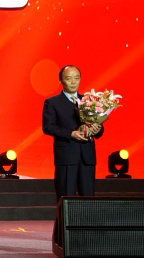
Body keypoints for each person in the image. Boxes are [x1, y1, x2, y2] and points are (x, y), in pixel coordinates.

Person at [42, 64, 101, 199]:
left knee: (88, 199)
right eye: (69, 78)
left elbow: (99, 127)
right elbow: (48, 127)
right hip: (67, 157)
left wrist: (97, 129)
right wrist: (71, 133)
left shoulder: (89, 101)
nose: (73, 82)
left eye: (76, 78)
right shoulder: (53, 102)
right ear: (61, 81)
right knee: (66, 198)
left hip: (87, 157)